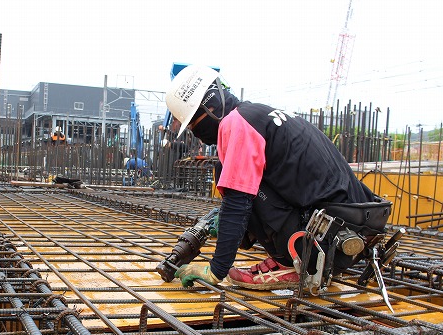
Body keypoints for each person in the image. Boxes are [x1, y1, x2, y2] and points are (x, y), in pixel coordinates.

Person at [165, 65, 390, 290]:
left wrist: (215, 270)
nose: (196, 133)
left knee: (228, 176)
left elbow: (238, 202)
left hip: (319, 244)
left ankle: (289, 262)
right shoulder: (258, 114)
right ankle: (292, 254)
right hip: (346, 231)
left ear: (210, 107)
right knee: (228, 172)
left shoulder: (236, 124)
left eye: (193, 123)